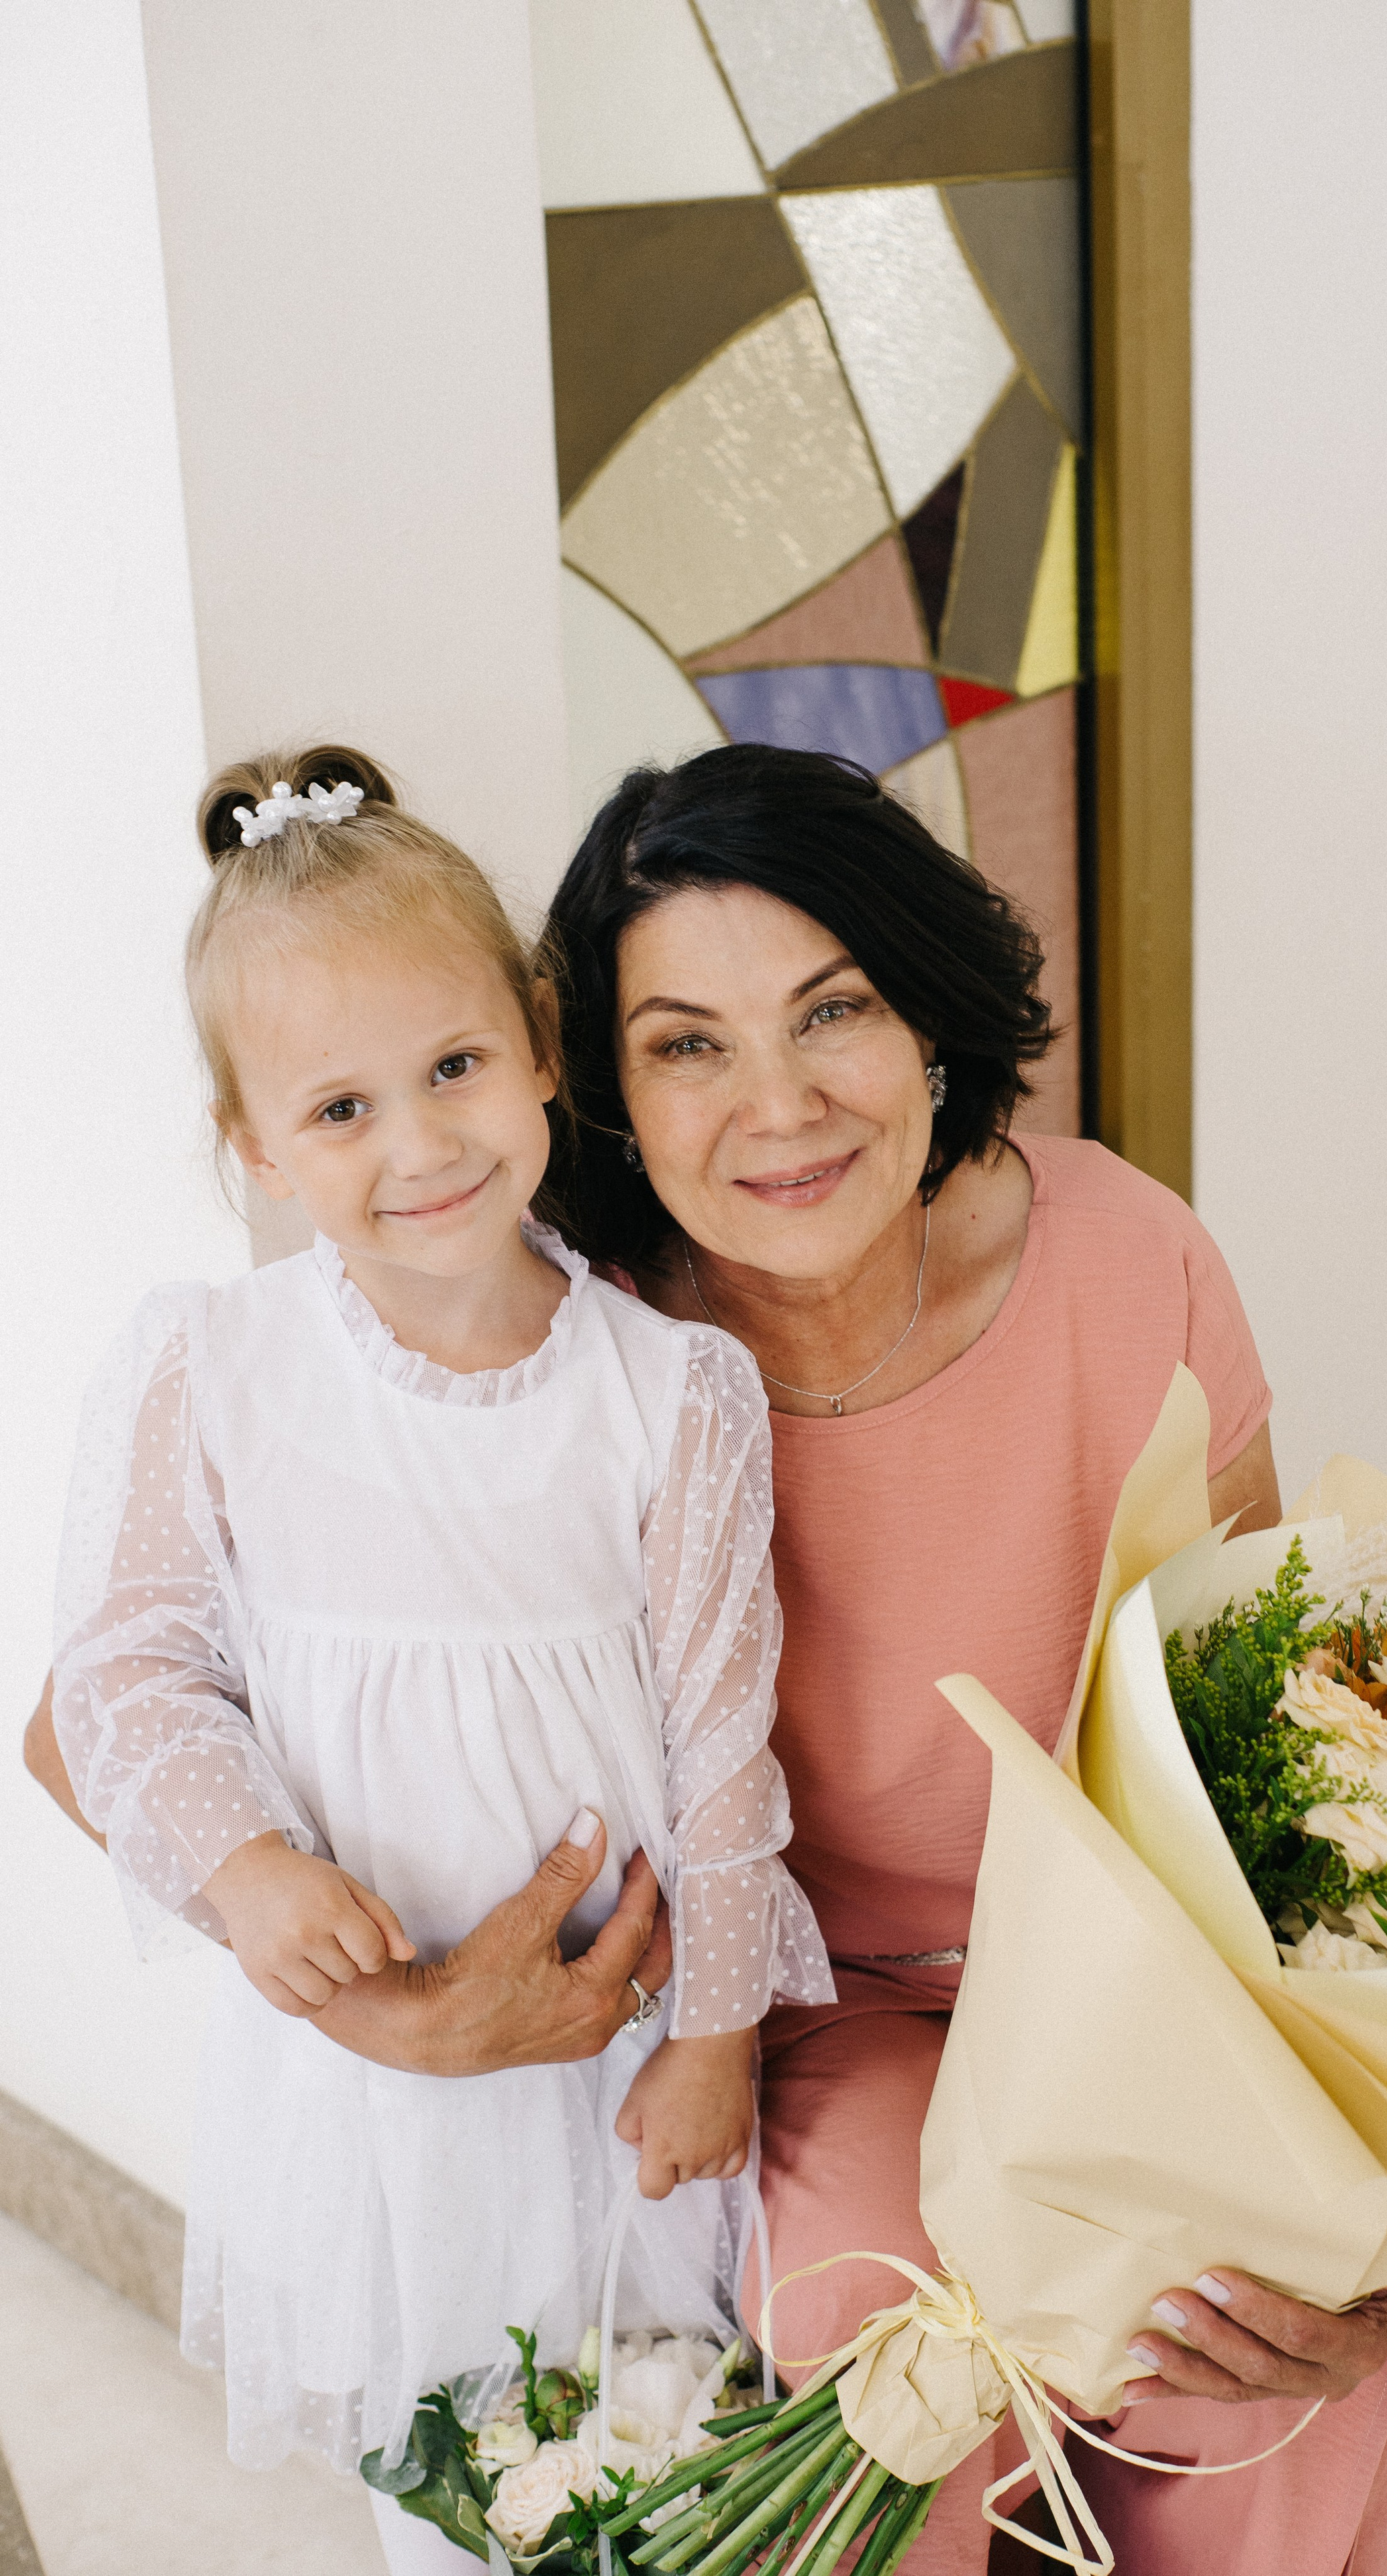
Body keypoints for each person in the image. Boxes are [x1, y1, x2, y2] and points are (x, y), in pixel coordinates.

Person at [28, 742, 1387, 2575]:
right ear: (601, 1071)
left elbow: (1270, 1722)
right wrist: (394, 2013)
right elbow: (93, 1714)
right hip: (813, 2012)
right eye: (687, 1042)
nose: (776, 1105)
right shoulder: (576, 1339)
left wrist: (1373, 2146)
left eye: (830, 1011)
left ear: (927, 1018)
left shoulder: (1129, 1255)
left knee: (1265, 2312)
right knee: (877, 2330)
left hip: (1137, 1977)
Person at [43, 747, 831, 2574]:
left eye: (456, 1068)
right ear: (254, 1145)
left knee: (648, 2445)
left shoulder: (673, 1390)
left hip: (623, 2042)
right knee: (447, 2475)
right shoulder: (213, 1370)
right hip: (375, 2072)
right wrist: (245, 1869)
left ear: (542, 1042)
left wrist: (713, 2033)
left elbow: (724, 1744)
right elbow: (126, 1672)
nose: (420, 1145)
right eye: (338, 1109)